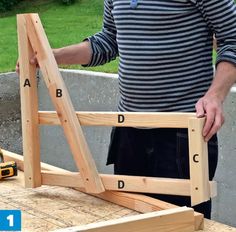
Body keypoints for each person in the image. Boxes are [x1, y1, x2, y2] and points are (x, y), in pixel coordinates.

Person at [16, 0, 236, 218]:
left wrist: (215, 95)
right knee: (130, 216)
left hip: (181, 133)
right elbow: (110, 40)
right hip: (128, 131)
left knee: (183, 221)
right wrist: (53, 56)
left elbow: (232, 38)